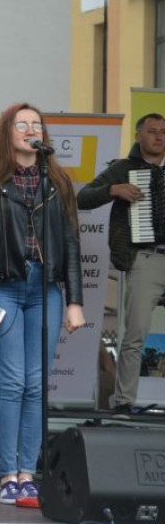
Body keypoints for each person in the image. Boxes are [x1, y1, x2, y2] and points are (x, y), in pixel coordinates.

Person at [0, 103, 85, 506]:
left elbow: (70, 243)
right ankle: (8, 474)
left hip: (45, 289)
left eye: (36, 124)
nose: (31, 129)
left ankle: (29, 474)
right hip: (4, 289)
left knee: (36, 385)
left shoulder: (58, 181)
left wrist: (74, 302)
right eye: (22, 124)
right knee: (12, 383)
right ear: (8, 133)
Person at [77, 112, 165, 415]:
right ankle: (124, 402)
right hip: (146, 257)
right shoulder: (124, 169)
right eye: (152, 131)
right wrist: (113, 190)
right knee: (136, 332)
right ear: (139, 135)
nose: (158, 137)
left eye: (163, 132)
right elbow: (83, 198)